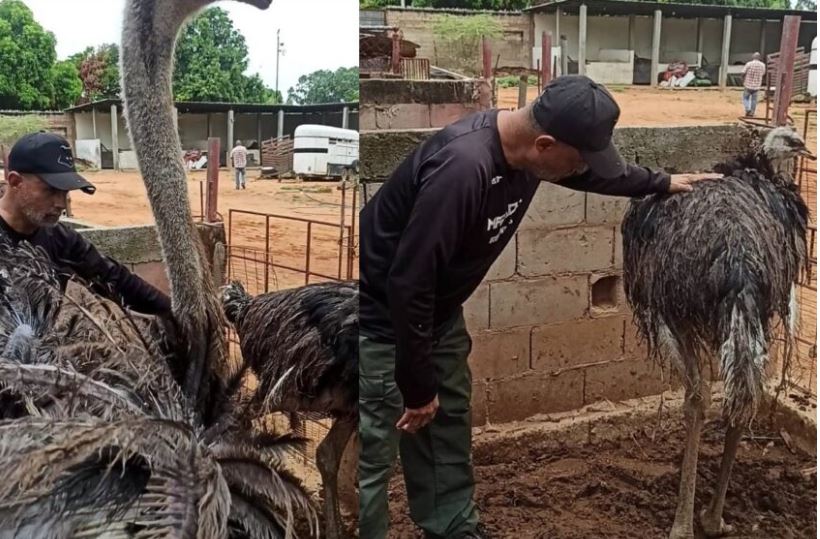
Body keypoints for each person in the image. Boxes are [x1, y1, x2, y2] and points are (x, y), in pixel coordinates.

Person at [358, 75, 709, 539]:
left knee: (447, 423)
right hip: (385, 327)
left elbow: (591, 175)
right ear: (545, 144)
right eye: (578, 156)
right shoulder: (463, 169)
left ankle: (451, 527)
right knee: (375, 448)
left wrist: (660, 182)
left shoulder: (525, 154)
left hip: (437, 316)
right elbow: (409, 282)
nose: (582, 168)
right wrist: (417, 383)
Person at [0, 132, 171, 316]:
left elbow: (115, 278)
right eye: (50, 190)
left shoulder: (60, 239)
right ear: (15, 181)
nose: (61, 204)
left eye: (65, 193)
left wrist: (178, 314)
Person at [742, 52, 766, 118]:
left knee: (745, 98)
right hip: (757, 85)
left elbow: (743, 72)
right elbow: (763, 74)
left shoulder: (749, 64)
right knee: (754, 100)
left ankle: (747, 109)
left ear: (753, 57)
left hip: (748, 84)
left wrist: (743, 79)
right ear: (759, 58)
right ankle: (752, 113)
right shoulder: (763, 65)